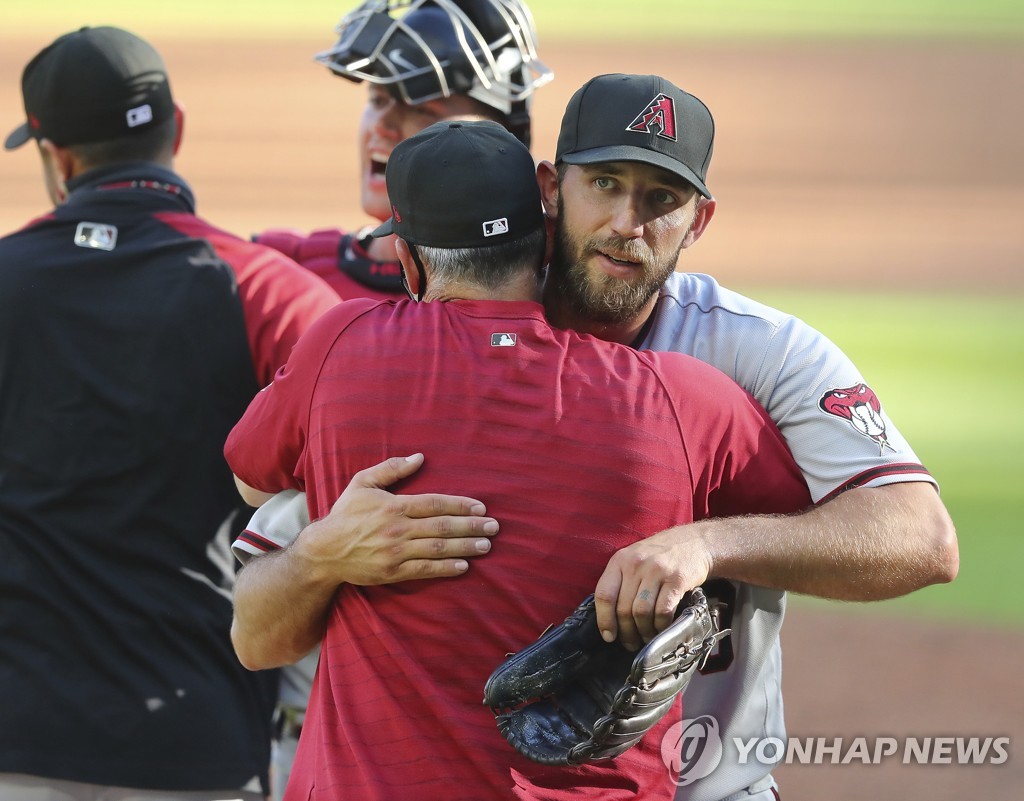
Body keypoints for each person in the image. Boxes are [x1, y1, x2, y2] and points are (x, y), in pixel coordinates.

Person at [230, 74, 958, 801]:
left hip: (711, 781)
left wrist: (706, 542)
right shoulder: (429, 354)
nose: (626, 223)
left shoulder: (759, 353)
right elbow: (262, 613)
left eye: (660, 200)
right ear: (551, 187)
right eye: (605, 183)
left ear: (699, 219)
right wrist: (323, 554)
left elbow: (921, 538)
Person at [0, 26, 340, 800]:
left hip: (16, 733)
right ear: (176, 127)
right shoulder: (267, 291)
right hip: (197, 738)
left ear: (57, 157)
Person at [253, 0, 553, 300]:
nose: (383, 125)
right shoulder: (278, 271)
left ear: (503, 139)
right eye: (378, 100)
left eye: (422, 110)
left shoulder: (555, 296)